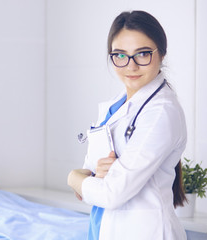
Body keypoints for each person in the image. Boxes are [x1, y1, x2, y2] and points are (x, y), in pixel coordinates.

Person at [67, 11, 187, 240]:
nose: (130, 66)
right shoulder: (117, 105)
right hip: (106, 227)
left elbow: (110, 193)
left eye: (142, 54)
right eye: (120, 55)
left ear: (161, 54)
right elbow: (87, 188)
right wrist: (91, 178)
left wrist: (74, 177)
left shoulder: (161, 111)